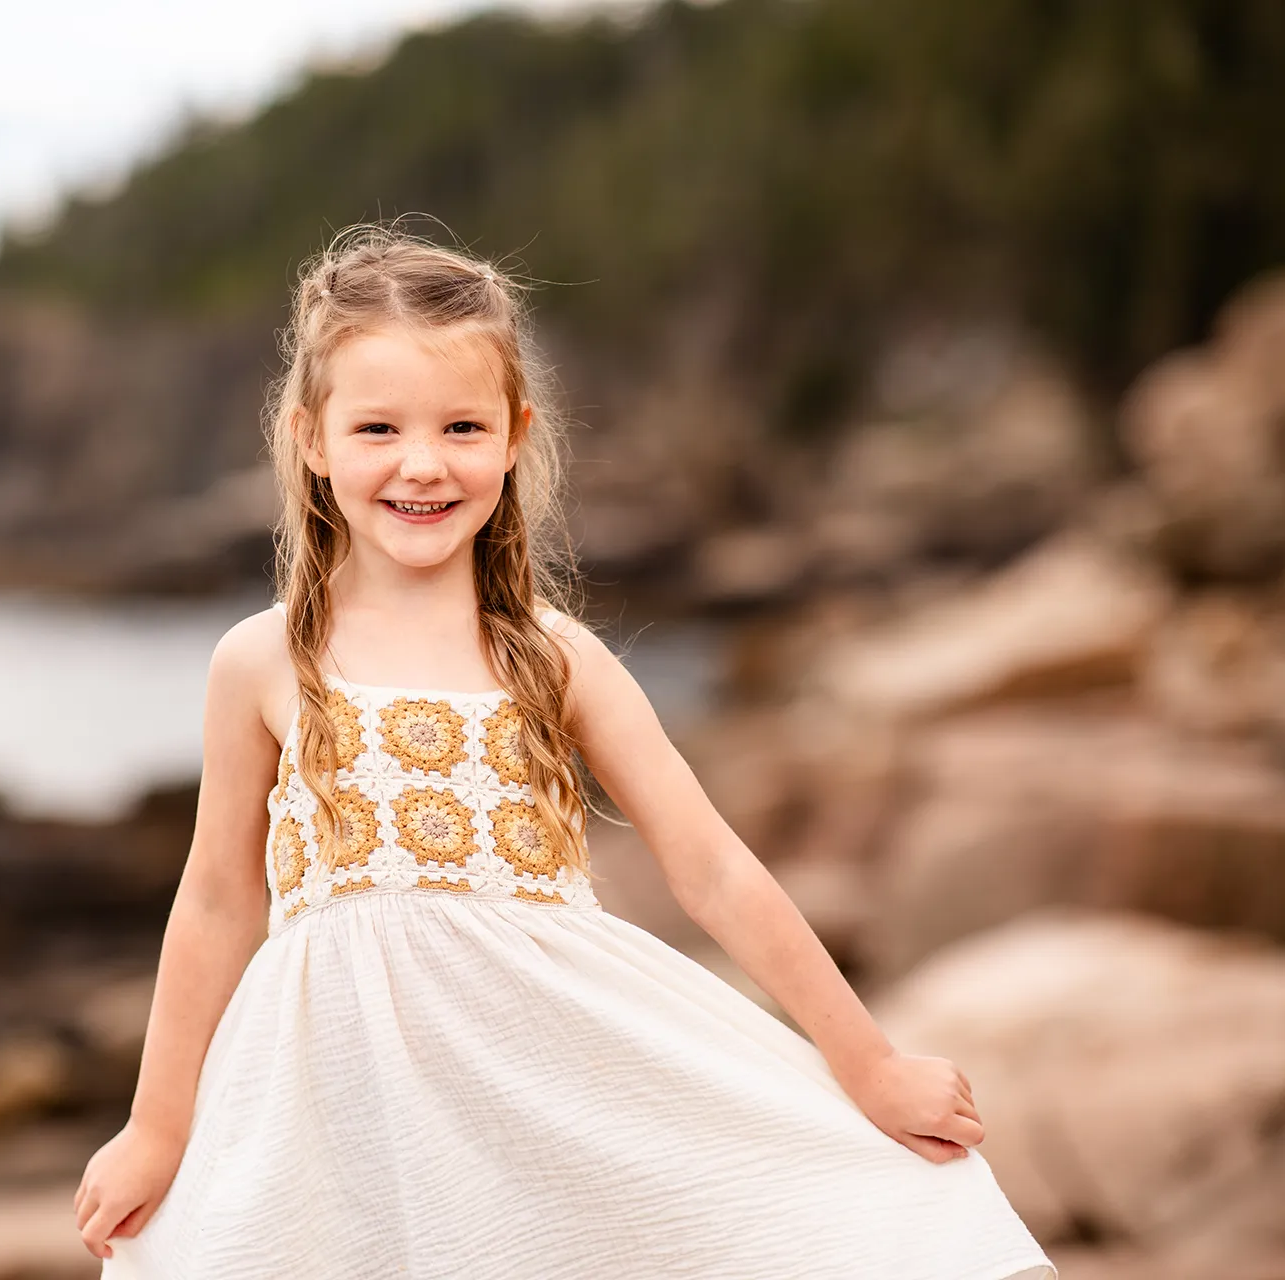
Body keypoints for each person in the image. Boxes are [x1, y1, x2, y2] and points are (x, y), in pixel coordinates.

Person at [72, 223, 1057, 1279]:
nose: (422, 463)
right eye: (377, 428)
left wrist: (867, 1065)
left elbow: (713, 866)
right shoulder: (263, 659)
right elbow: (218, 898)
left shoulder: (553, 656)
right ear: (312, 437)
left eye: (461, 425)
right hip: (336, 1109)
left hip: (552, 1077)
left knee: (908, 1213)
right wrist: (159, 1127)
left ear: (513, 434)